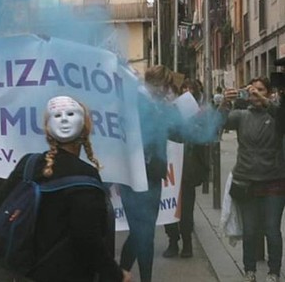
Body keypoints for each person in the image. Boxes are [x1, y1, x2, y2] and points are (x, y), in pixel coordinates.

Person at [0, 96, 130, 282]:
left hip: (28, 272)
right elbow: (88, 239)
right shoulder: (86, 176)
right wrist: (116, 274)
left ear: (47, 129)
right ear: (86, 129)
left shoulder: (29, 164)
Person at [220, 77, 285, 282]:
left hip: (274, 180)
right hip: (246, 181)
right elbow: (219, 123)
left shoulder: (276, 115)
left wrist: (266, 102)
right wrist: (224, 103)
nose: (255, 93)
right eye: (252, 90)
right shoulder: (241, 116)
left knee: (272, 229)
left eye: (261, 90)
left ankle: (274, 272)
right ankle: (249, 270)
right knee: (249, 231)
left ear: (268, 92)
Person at [120, 65, 180, 282]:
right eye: (166, 86)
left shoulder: (157, 104)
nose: (167, 91)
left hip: (152, 174)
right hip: (136, 175)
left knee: (144, 232)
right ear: (159, 84)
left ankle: (123, 273)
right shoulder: (136, 100)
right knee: (142, 231)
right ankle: (135, 276)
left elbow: (177, 134)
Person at [162, 78, 209, 258]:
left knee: (186, 210)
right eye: (184, 89)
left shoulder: (199, 114)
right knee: (168, 206)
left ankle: (187, 243)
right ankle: (173, 240)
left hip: (187, 169)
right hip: (170, 167)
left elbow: (204, 137)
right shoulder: (168, 112)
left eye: (191, 90)